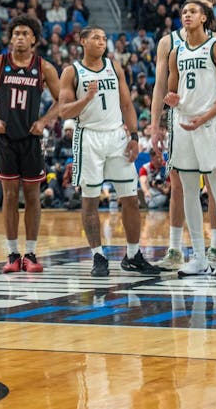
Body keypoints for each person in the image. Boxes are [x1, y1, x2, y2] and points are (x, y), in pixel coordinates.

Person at [57, 27, 160, 276]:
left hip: (116, 136)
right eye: (96, 38)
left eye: (104, 38)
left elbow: (126, 104)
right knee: (90, 200)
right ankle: (98, 256)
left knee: (131, 199)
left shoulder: (114, 67)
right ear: (82, 41)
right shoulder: (72, 71)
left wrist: (134, 136)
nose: (102, 42)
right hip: (88, 137)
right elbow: (64, 111)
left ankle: (133, 254)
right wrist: (86, 99)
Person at [0, 15, 60, 274]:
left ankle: (31, 254)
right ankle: (12, 254)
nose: (20, 37)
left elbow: (62, 100)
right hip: (6, 139)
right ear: (10, 38)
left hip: (32, 139)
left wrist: (44, 121)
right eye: (16, 33)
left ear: (34, 38)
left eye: (25, 33)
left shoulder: (44, 67)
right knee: (9, 196)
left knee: (33, 196)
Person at [164, 0, 216, 277]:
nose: (186, 15)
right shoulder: (176, 51)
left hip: (210, 124)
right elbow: (173, 92)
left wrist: (205, 117)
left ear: (205, 17)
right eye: (183, 12)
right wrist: (172, 100)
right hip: (184, 124)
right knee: (189, 191)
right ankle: (198, 257)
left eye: (192, 12)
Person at [147, 0, 214, 271]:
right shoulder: (169, 42)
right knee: (177, 183)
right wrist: (155, 124)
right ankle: (175, 249)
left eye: (204, 11)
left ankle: (215, 249)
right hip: (179, 121)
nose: (198, 16)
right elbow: (160, 85)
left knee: (213, 184)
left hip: (210, 120)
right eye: (191, 10)